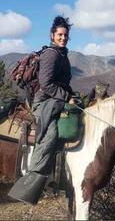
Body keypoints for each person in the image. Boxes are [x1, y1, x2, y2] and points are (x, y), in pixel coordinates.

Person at [8, 16, 76, 205]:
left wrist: (72, 95)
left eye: (65, 35)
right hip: (43, 102)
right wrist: (65, 96)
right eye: (60, 35)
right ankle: (33, 179)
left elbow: (63, 82)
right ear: (52, 35)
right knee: (51, 133)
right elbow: (46, 84)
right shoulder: (51, 55)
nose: (63, 38)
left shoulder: (63, 55)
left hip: (56, 99)